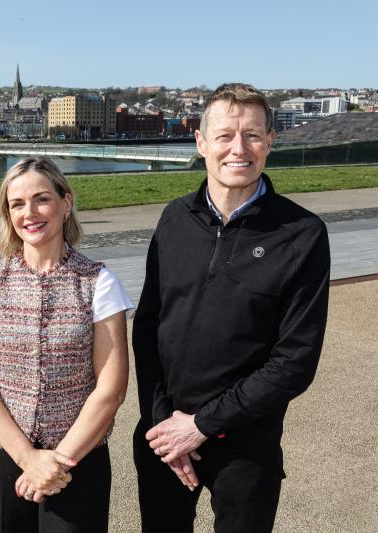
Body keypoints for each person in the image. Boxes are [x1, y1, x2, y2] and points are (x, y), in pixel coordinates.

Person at [132, 83, 331, 532]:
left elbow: (294, 361)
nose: (238, 148)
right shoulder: (174, 218)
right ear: (201, 143)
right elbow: (147, 327)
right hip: (165, 437)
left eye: (253, 136)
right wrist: (164, 421)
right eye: (224, 135)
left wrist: (201, 424)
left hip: (246, 445)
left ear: (270, 143)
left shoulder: (302, 234)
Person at [0, 156, 133, 532]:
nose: (30, 213)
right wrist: (28, 459)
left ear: (65, 202)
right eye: (17, 204)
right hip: (5, 455)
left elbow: (111, 389)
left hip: (77, 457)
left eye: (41, 199)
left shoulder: (99, 283)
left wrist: (57, 462)